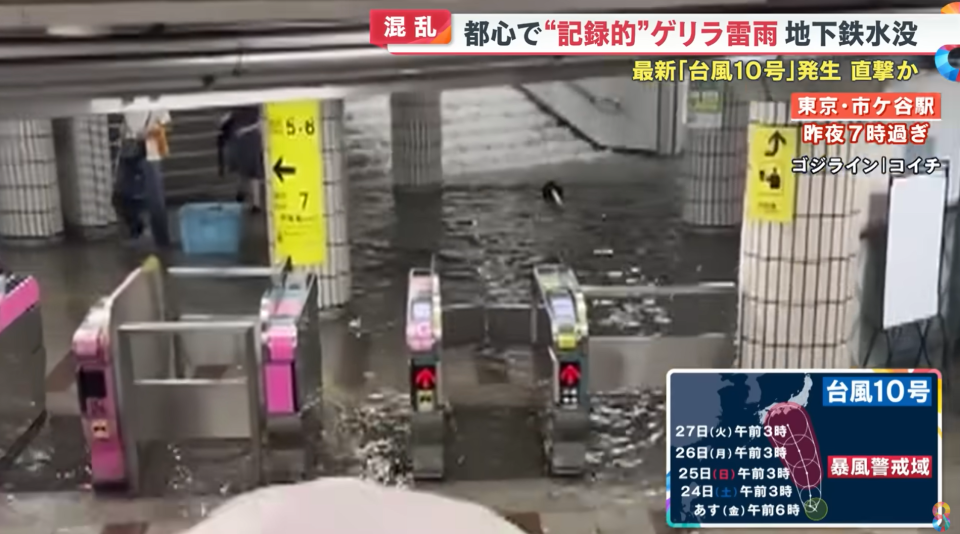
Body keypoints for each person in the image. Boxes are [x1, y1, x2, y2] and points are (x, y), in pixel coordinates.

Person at [113, 108, 172, 247]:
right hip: (129, 145)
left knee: (155, 197)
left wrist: (149, 132)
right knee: (120, 194)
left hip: (150, 147)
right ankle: (136, 229)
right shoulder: (126, 102)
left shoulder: (154, 102)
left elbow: (166, 123)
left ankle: (161, 240)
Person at [218, 106, 264, 212]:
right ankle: (251, 200)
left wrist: (243, 130)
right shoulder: (249, 109)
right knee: (251, 172)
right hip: (248, 142)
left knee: (247, 171)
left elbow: (222, 122)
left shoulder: (237, 109)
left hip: (246, 142)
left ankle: (247, 197)